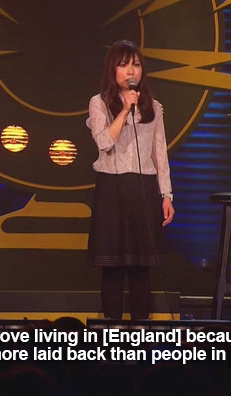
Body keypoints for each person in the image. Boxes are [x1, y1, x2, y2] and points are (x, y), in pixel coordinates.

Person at [86, 40, 175, 320]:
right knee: (112, 267)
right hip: (111, 188)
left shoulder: (154, 107)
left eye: (135, 64)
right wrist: (124, 110)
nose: (131, 70)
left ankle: (141, 332)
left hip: (143, 188)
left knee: (140, 267)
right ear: (112, 69)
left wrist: (166, 195)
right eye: (124, 64)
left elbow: (159, 153)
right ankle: (111, 332)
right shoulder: (99, 103)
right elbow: (104, 142)